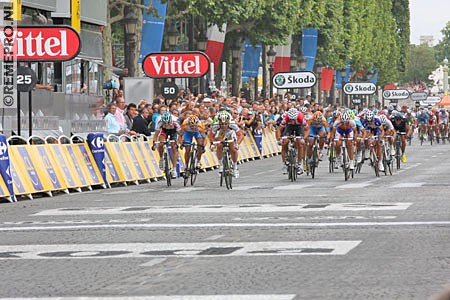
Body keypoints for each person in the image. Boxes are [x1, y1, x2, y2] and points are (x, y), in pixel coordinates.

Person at [276, 107, 309, 175]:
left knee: (300, 144)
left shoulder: (301, 118)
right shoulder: (286, 118)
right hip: (289, 127)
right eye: (291, 119)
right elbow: (279, 129)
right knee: (284, 142)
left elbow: (307, 130)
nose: (292, 121)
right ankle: (284, 163)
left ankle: (299, 165)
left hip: (299, 127)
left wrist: (304, 138)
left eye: (293, 119)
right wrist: (279, 139)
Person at [209, 111, 242, 178]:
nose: (224, 126)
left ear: (228, 122)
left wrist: (237, 144)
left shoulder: (232, 124)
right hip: (221, 134)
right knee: (219, 146)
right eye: (222, 124)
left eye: (225, 124)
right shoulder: (216, 125)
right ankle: (221, 165)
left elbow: (240, 135)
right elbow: (211, 136)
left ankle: (235, 167)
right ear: (219, 122)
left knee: (233, 149)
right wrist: (212, 144)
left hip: (230, 133)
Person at [153, 111, 182, 179]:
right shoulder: (160, 122)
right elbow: (156, 134)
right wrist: (154, 143)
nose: (166, 124)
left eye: (168, 122)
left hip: (173, 132)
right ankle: (161, 159)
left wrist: (180, 143)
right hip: (164, 132)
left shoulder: (175, 122)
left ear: (170, 120)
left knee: (174, 147)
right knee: (161, 143)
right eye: (165, 123)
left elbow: (180, 134)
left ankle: (174, 169)